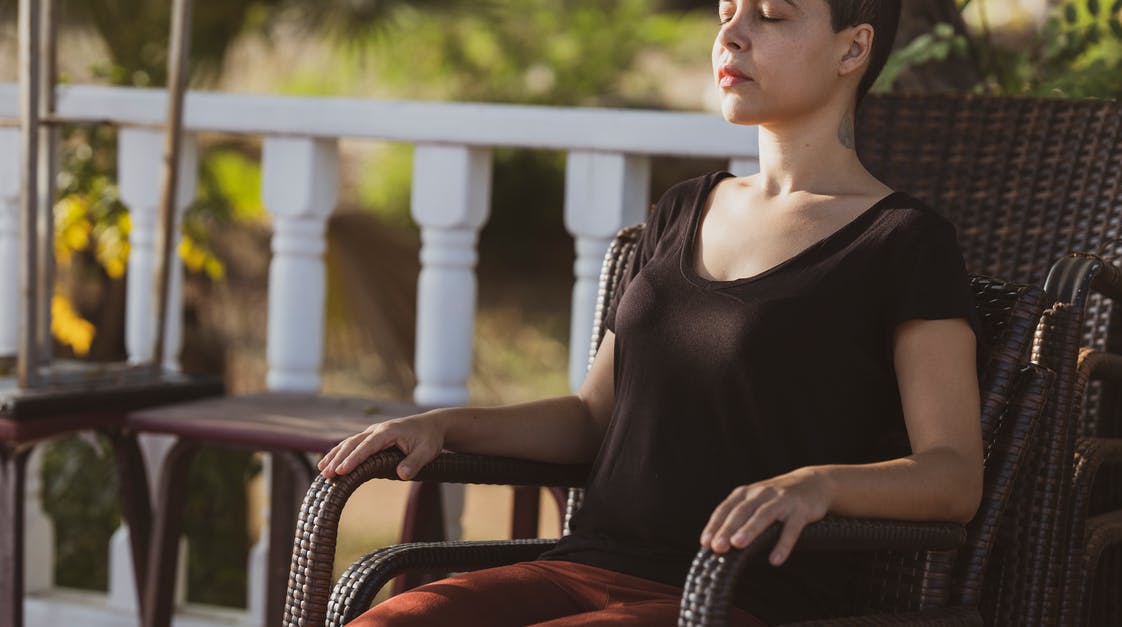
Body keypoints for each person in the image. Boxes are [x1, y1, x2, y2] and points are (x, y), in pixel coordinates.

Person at [320, 0, 984, 624]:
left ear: (853, 49)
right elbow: (591, 418)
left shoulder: (903, 241)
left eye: (772, 15)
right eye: (726, 13)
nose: (732, 34)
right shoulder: (681, 210)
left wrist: (818, 486)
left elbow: (953, 473)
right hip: (584, 567)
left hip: (733, 594)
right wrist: (445, 424)